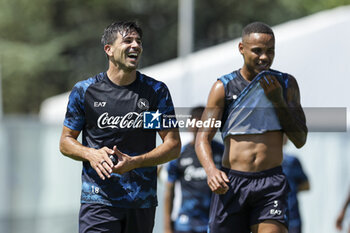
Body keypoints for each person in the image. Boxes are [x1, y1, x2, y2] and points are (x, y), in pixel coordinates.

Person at [59, 21, 181, 233]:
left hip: (141, 201)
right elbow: (65, 142)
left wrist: (136, 162)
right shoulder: (85, 91)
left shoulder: (154, 93)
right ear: (109, 49)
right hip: (98, 199)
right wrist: (91, 154)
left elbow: (172, 145)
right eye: (128, 40)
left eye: (138, 42)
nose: (135, 45)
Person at [195, 21, 308, 233]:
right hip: (232, 183)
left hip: (271, 184)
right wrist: (211, 171)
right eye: (257, 51)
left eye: (270, 51)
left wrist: (277, 101)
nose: (264, 57)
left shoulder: (285, 85)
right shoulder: (223, 87)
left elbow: (300, 139)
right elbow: (202, 138)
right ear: (241, 49)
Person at [164, 106, 224, 233]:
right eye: (195, 125)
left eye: (202, 126)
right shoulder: (179, 154)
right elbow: (169, 191)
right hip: (186, 224)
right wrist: (168, 227)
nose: (198, 131)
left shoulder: (222, 152)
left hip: (214, 222)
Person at [282, 136, 310, 233]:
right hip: (282, 216)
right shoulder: (291, 161)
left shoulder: (291, 161)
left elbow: (307, 185)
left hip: (290, 216)